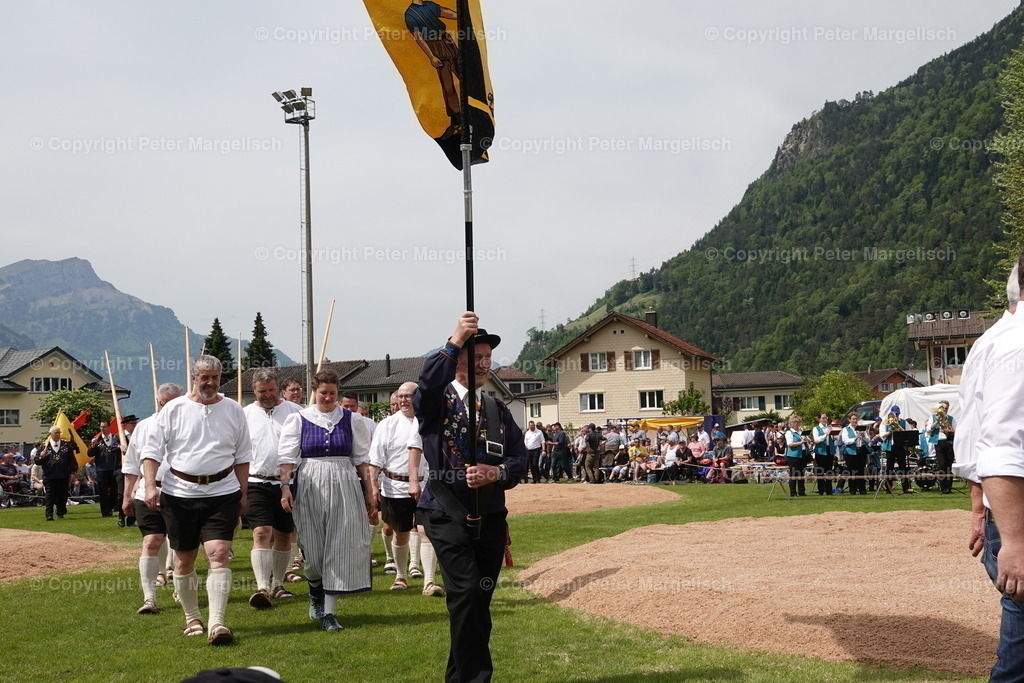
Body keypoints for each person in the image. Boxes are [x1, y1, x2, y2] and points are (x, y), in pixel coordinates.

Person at [413, 312, 528, 682]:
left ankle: (457, 676)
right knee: (465, 595)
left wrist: (497, 472)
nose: (482, 365)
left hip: (491, 515)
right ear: (458, 361)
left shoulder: (497, 409)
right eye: (473, 357)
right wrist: (455, 339)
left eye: (486, 359)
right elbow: (427, 382)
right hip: (446, 514)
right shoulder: (436, 402)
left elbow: (520, 459)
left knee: (477, 603)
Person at [141, 355, 252, 645]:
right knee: (183, 559)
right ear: (193, 377)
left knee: (217, 553)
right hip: (179, 493)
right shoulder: (174, 409)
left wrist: (243, 492)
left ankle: (217, 623)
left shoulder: (233, 410)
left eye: (215, 377)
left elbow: (242, 456)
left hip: (222, 492)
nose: (211, 383)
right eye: (205, 377)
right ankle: (192, 617)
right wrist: (150, 486)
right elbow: (151, 451)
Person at [958, 259, 1024, 679]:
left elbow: (971, 441)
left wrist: (980, 512)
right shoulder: (1016, 344)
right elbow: (1000, 449)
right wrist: (1015, 543)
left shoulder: (993, 340)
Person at [278, 370, 375, 632]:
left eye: (333, 393)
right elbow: (287, 457)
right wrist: (286, 488)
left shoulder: (352, 420)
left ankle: (329, 612)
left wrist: (370, 490)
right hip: (309, 483)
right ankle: (314, 589)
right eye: (324, 393)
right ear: (315, 392)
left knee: (338, 546)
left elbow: (362, 459)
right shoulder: (298, 419)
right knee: (314, 553)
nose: (329, 398)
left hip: (344, 483)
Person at [370, 382, 440, 594]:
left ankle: (429, 581)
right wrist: (373, 484)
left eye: (408, 396)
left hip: (427, 485)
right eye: (400, 396)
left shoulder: (430, 422)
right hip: (394, 487)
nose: (403, 400)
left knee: (425, 530)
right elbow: (375, 459)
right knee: (400, 533)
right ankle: (401, 576)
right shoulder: (387, 424)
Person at [121, 382, 184, 615]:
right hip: (146, 491)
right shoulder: (144, 426)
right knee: (151, 541)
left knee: (179, 544)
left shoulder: (190, 424)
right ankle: (149, 598)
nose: (169, 409)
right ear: (158, 403)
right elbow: (131, 465)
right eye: (165, 404)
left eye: (175, 404)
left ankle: (180, 588)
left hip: (180, 492)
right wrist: (127, 496)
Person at [243, 369, 303, 609]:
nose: (267, 395)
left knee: (284, 534)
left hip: (288, 483)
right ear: (254, 391)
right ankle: (262, 587)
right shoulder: (244, 414)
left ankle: (278, 584)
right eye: (261, 391)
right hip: (256, 481)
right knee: (261, 532)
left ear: (278, 388)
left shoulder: (296, 412)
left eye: (271, 390)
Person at [36, 425, 79, 521]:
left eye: (59, 432)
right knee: (50, 496)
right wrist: (41, 457)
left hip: (63, 475)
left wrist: (72, 472)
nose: (57, 434)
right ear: (50, 434)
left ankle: (60, 511)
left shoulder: (66, 445)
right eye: (55, 432)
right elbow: (37, 461)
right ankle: (49, 515)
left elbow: (72, 460)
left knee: (62, 496)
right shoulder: (44, 446)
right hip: (49, 475)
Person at [89, 420, 122, 520]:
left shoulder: (116, 438)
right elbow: (89, 454)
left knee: (114, 489)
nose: (102, 429)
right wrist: (93, 446)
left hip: (114, 468)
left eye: (104, 427)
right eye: (101, 427)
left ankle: (112, 506)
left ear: (109, 427)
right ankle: (105, 512)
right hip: (101, 469)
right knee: (103, 491)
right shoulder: (97, 440)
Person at [925, 401, 956, 494]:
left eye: (946, 408)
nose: (944, 410)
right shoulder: (933, 417)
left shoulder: (951, 418)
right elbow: (928, 429)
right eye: (943, 408)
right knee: (942, 465)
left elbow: (956, 430)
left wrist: (949, 430)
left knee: (949, 465)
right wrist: (937, 421)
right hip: (938, 442)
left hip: (949, 442)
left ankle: (949, 487)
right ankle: (943, 487)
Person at [880, 407, 912, 493]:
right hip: (890, 447)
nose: (896, 416)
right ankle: (889, 488)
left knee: (903, 468)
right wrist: (890, 432)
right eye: (894, 414)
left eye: (897, 414)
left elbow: (909, 433)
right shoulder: (885, 423)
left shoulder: (904, 422)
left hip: (901, 447)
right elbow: (882, 435)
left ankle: (905, 488)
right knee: (889, 468)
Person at [812, 414, 835, 496]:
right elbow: (816, 440)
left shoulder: (829, 427)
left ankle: (829, 490)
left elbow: (834, 438)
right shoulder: (816, 428)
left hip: (829, 450)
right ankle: (821, 489)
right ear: (819, 419)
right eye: (823, 418)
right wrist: (825, 435)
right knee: (820, 471)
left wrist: (834, 434)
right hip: (820, 451)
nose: (825, 419)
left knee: (829, 470)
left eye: (826, 418)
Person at [784, 416, 808, 497]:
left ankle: (802, 491)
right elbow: (790, 444)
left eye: (798, 422)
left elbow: (807, 440)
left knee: (801, 473)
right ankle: (793, 492)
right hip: (793, 456)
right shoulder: (789, 432)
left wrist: (807, 440)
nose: (797, 424)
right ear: (791, 423)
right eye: (795, 422)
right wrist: (800, 442)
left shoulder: (801, 431)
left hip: (802, 454)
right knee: (794, 474)